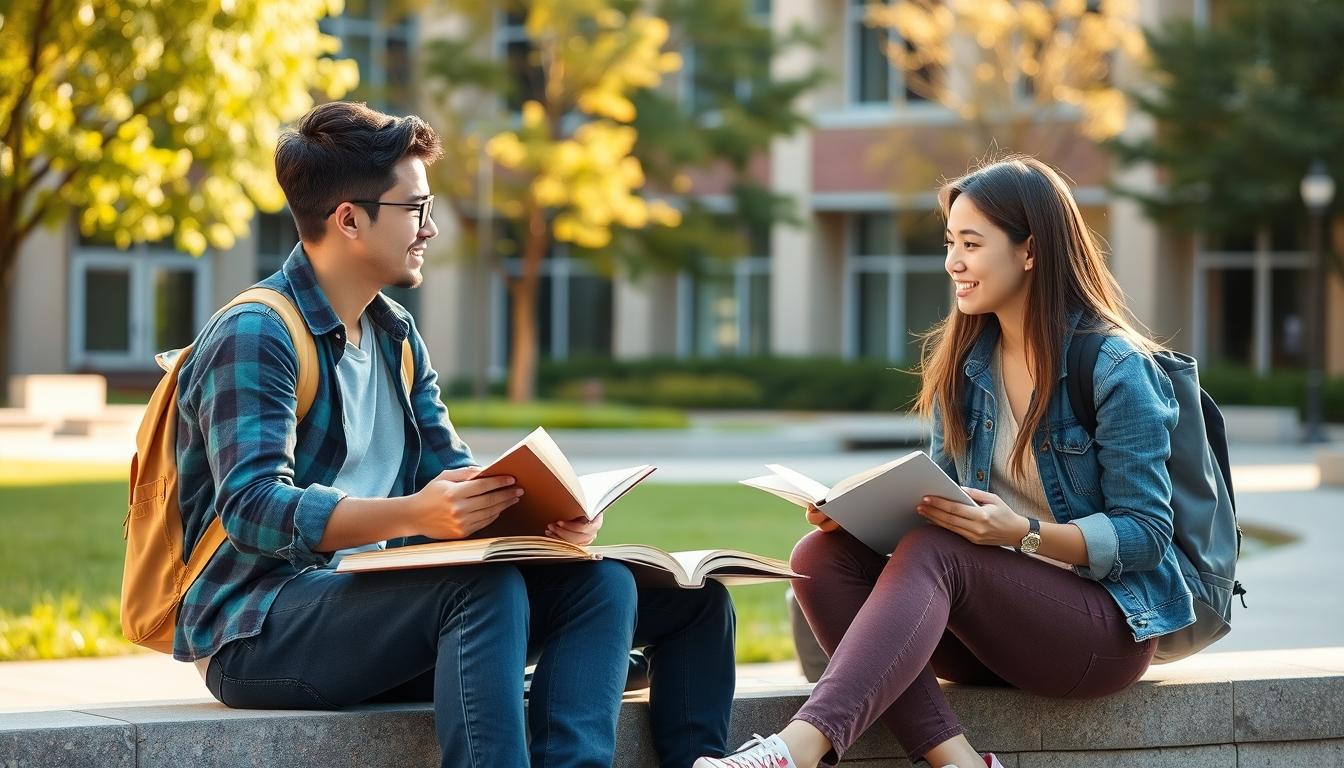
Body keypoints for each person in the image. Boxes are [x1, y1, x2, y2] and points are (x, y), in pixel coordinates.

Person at [174, 101, 736, 768]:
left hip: (380, 606)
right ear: (349, 219)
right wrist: (413, 513)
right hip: (259, 626)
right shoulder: (257, 332)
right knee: (483, 588)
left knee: (627, 588)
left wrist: (534, 519)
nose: (431, 227)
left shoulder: (395, 336)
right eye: (415, 209)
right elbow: (253, 509)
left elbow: (455, 481)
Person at [694, 156, 1194, 768]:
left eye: (972, 243)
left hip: (1100, 633)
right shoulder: (967, 364)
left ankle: (794, 752)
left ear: (1030, 251)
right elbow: (940, 502)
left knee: (941, 552)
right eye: (950, 242)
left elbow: (1146, 535)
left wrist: (1026, 535)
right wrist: (860, 516)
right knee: (820, 559)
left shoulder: (1116, 368)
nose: (953, 262)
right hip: (983, 624)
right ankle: (957, 762)